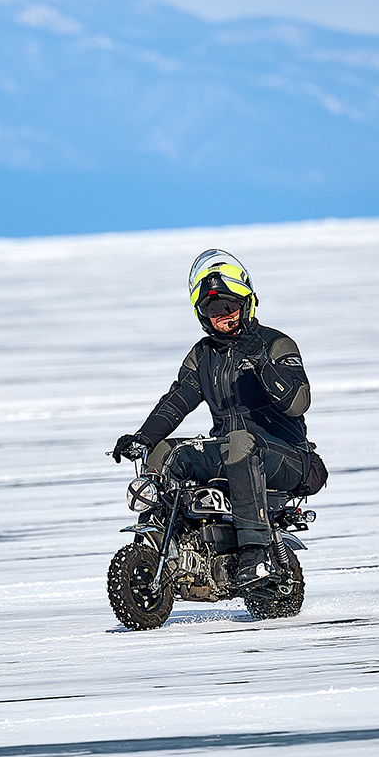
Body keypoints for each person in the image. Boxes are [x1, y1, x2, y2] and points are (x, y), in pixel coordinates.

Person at [112, 250, 327, 584]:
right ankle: (167, 548)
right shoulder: (203, 355)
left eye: (230, 306)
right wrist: (143, 437)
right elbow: (175, 402)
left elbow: (298, 403)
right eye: (214, 310)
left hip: (288, 457)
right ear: (203, 315)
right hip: (231, 450)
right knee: (165, 453)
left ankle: (256, 555)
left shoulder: (276, 344)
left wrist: (259, 360)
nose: (223, 316)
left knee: (240, 442)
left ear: (246, 305)